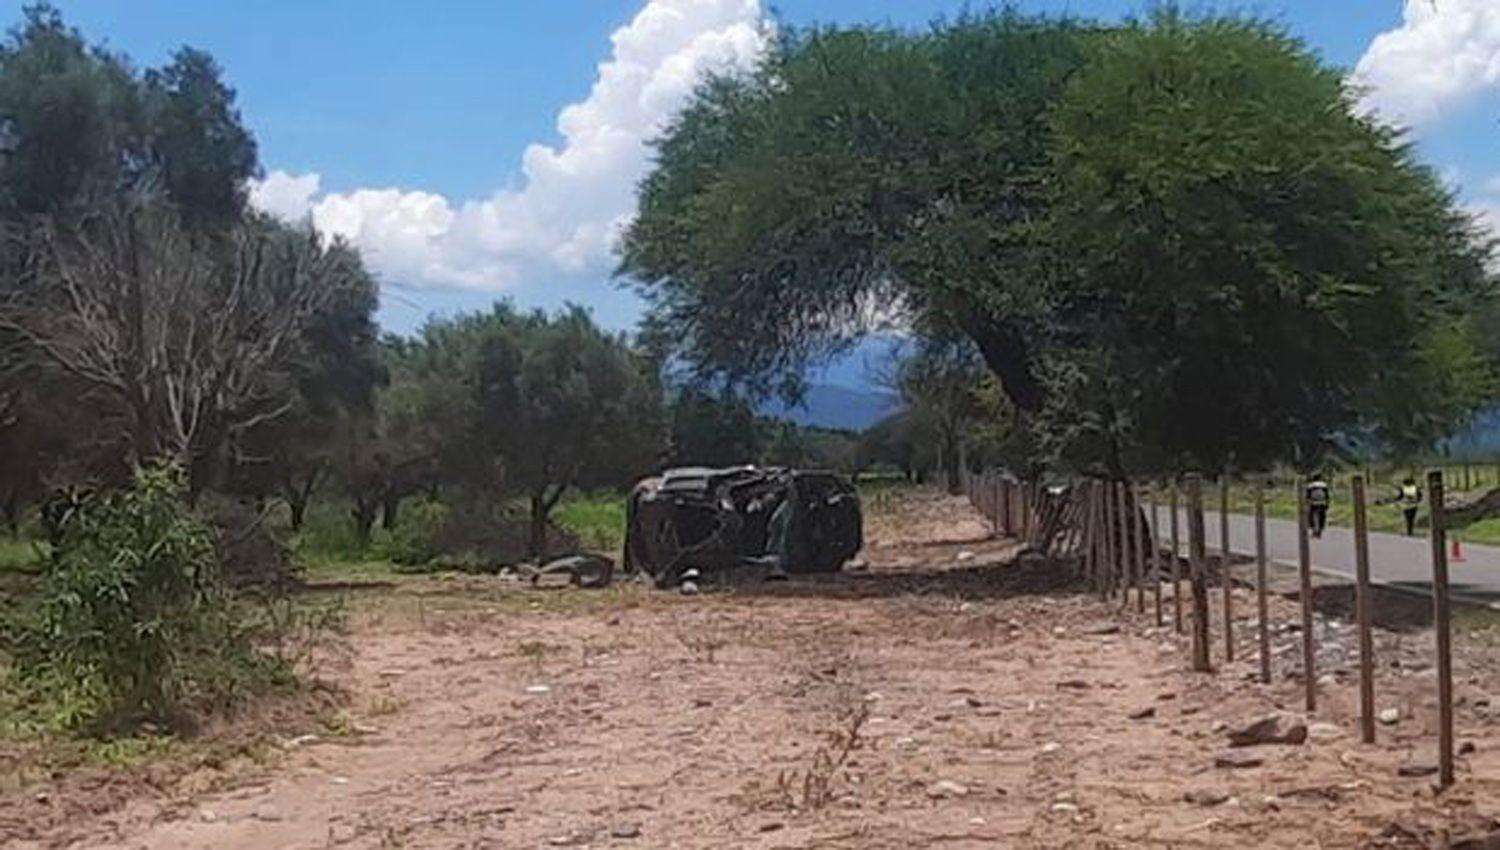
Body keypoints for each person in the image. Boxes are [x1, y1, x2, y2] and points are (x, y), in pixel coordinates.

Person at [1306, 474, 1331, 538]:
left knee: (1311, 516)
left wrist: (1307, 503)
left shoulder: (1310, 485)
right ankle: (1320, 530)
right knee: (1322, 517)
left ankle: (1314, 529)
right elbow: (1327, 495)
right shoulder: (1324, 485)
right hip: (1322, 503)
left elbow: (1308, 496)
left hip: (1313, 503)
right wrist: (1327, 503)